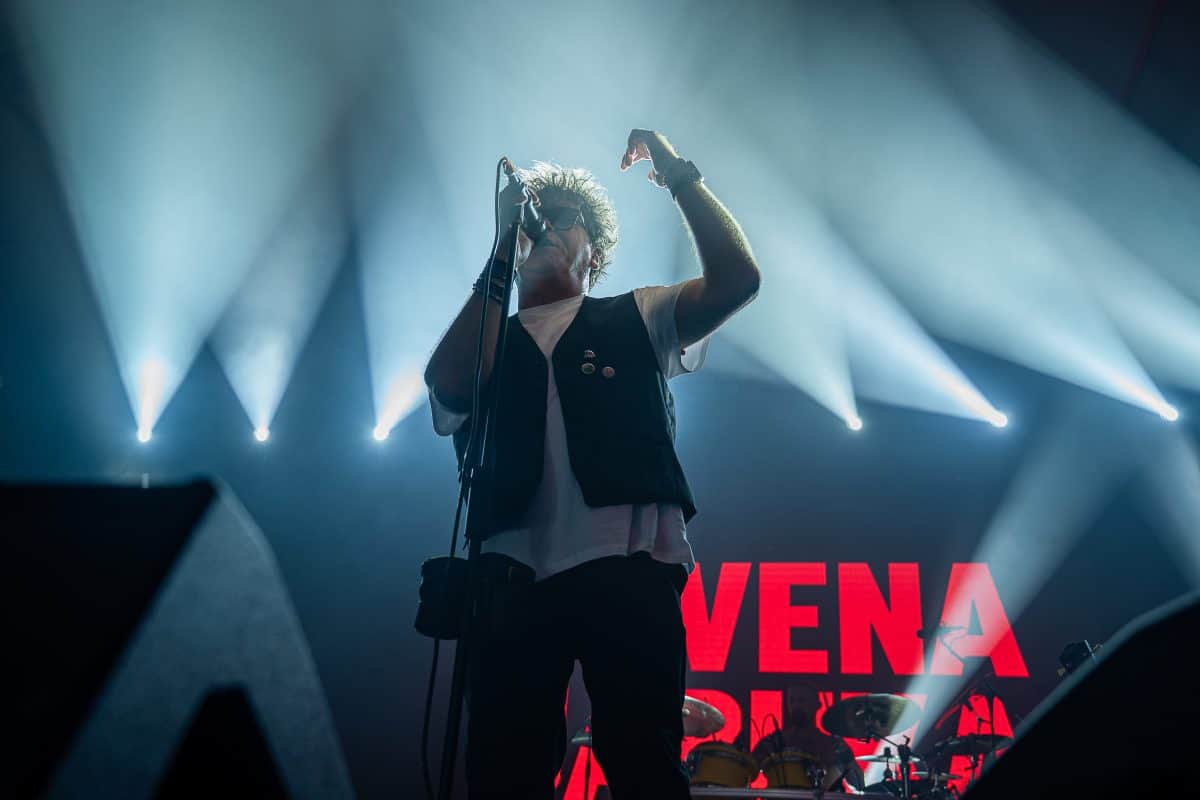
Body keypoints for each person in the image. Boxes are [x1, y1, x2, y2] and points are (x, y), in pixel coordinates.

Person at [423, 129, 760, 799]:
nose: (546, 223)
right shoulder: (489, 336)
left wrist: (677, 172)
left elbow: (737, 281)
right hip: (509, 575)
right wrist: (503, 246)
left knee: (642, 766)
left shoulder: (638, 313)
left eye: (564, 216)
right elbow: (451, 385)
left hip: (627, 564)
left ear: (595, 253)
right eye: (537, 214)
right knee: (503, 776)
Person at [753, 685, 866, 793]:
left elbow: (859, 784)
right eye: (792, 701)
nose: (796, 706)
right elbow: (747, 770)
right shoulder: (773, 742)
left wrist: (843, 759)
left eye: (802, 700)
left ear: (817, 705)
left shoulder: (831, 744)